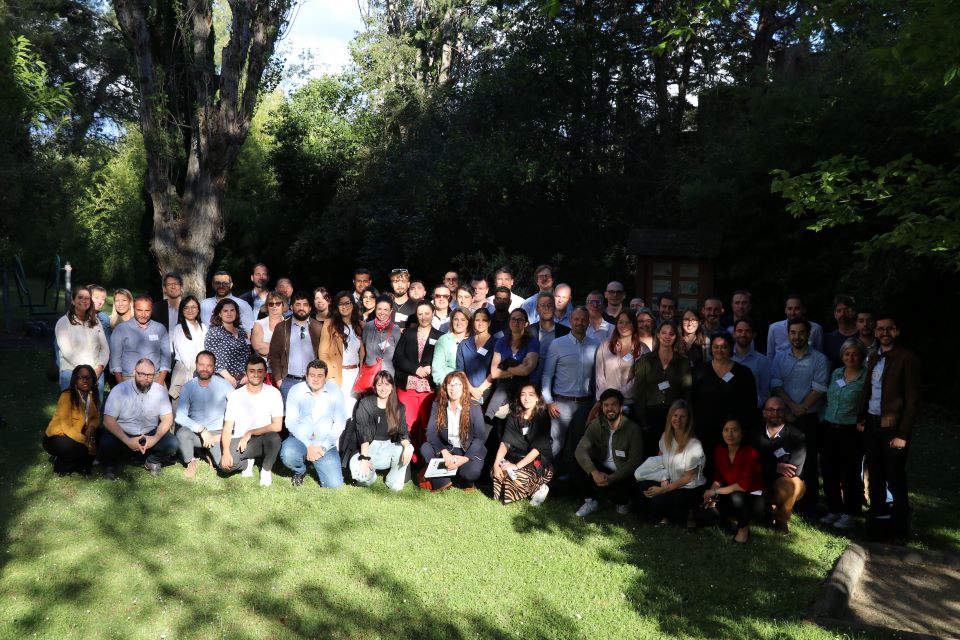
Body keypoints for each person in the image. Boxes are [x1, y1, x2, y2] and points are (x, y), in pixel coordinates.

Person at [857, 313, 921, 541]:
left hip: (893, 428)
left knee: (894, 478)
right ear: (875, 332)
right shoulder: (873, 357)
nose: (884, 333)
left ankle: (899, 530)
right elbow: (869, 390)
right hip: (872, 424)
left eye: (889, 329)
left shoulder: (907, 359)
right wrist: (862, 418)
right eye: (880, 329)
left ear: (897, 331)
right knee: (875, 476)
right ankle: (877, 525)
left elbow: (913, 401)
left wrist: (902, 434)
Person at [771, 317, 829, 513]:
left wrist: (800, 408)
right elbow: (776, 384)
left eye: (801, 332)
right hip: (784, 417)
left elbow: (819, 388)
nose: (797, 336)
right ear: (788, 335)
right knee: (783, 458)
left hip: (808, 418)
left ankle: (808, 505)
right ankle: (782, 499)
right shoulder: (779, 358)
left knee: (809, 461)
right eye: (793, 333)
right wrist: (790, 408)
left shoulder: (820, 359)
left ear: (808, 334)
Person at [98, 358, 178, 479]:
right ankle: (110, 465)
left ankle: (152, 460)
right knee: (105, 442)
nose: (146, 378)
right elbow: (108, 420)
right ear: (134, 372)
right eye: (142, 374)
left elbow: (167, 419)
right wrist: (128, 441)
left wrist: (154, 439)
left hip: (149, 434)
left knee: (172, 443)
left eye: (150, 375)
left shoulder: (160, 391)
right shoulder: (119, 390)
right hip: (123, 433)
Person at [541, 307, 600, 465]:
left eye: (583, 320)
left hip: (585, 405)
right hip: (560, 404)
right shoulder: (557, 344)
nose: (579, 322)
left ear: (588, 322)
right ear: (570, 321)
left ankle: (573, 483)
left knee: (580, 445)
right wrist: (549, 402)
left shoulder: (596, 345)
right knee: (556, 445)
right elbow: (547, 375)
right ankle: (548, 482)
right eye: (576, 319)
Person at [692, 332, 757, 475]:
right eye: (716, 347)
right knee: (707, 468)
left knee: (731, 469)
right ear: (711, 349)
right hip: (705, 431)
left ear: (730, 348)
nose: (719, 350)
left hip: (733, 433)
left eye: (724, 347)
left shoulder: (743, 373)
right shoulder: (699, 371)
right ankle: (708, 496)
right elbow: (692, 400)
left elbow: (751, 403)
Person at [573, 389, 644, 517]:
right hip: (601, 471)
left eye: (613, 404)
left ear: (621, 407)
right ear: (602, 407)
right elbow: (580, 450)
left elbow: (634, 462)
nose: (609, 408)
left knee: (621, 495)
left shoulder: (633, 429)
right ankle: (590, 500)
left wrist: (612, 478)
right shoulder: (597, 423)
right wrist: (594, 473)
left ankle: (622, 501)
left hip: (621, 475)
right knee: (578, 460)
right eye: (606, 405)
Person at [820, 339, 866, 530]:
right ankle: (834, 509)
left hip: (851, 430)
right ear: (842, 356)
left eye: (855, 354)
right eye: (847, 354)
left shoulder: (866, 378)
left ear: (861, 356)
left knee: (850, 473)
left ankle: (850, 512)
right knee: (829, 470)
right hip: (830, 427)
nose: (850, 357)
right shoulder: (836, 373)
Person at [639, 399, 707, 526]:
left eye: (682, 416)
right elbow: (661, 459)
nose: (678, 420)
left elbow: (688, 477)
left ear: (688, 420)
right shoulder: (666, 437)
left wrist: (663, 489)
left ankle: (683, 515)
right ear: (670, 417)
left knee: (658, 499)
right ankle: (653, 518)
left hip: (689, 488)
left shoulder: (694, 444)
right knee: (644, 486)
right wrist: (663, 479)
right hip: (671, 481)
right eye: (675, 415)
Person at [281, 359, 346, 488]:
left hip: (324, 444)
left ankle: (317, 461)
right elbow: (290, 422)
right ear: (306, 376)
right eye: (312, 375)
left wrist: (322, 447)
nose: (315, 379)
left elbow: (339, 423)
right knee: (288, 454)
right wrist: (308, 445)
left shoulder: (335, 392)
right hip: (300, 440)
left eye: (320, 376)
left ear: (326, 377)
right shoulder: (296, 390)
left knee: (334, 485)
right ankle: (300, 471)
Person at [631, 321, 692, 457]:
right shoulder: (645, 360)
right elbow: (638, 393)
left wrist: (685, 418)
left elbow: (687, 393)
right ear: (658, 335)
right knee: (652, 455)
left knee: (674, 455)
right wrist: (642, 420)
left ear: (676, 337)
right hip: (651, 416)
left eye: (671, 334)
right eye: (663, 333)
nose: (667, 336)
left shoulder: (683, 362)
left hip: (675, 418)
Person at [220, 355, 283, 486]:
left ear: (265, 373)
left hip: (263, 439)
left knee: (274, 438)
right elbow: (227, 428)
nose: (256, 375)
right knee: (225, 467)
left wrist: (251, 432)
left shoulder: (274, 393)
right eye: (252, 371)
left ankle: (266, 469)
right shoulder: (235, 395)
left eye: (260, 371)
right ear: (246, 373)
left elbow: (277, 426)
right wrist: (226, 452)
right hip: (240, 440)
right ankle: (248, 462)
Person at [421, 372, 487, 491]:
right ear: (445, 387)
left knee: (470, 473)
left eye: (457, 385)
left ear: (463, 387)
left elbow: (480, 438)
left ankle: (466, 480)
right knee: (426, 448)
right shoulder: (438, 405)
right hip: (448, 447)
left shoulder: (474, 406)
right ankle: (442, 481)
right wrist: (444, 452)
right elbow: (431, 432)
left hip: (467, 449)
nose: (453, 388)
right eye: (450, 385)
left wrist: (465, 458)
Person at [349, 371, 414, 491]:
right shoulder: (365, 404)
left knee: (408, 447)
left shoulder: (399, 407)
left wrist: (407, 447)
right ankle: (371, 475)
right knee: (360, 477)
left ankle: (393, 480)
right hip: (368, 448)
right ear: (374, 387)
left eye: (387, 385)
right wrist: (364, 458)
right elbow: (364, 433)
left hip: (388, 449)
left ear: (392, 387)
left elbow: (403, 432)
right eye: (379, 385)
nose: (383, 388)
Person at [491, 384, 553, 505]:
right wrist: (496, 464)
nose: (526, 398)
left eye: (531, 395)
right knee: (498, 472)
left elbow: (536, 450)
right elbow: (505, 443)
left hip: (537, 462)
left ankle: (538, 488)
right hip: (515, 457)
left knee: (515, 476)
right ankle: (522, 489)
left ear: (537, 398)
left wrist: (517, 466)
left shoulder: (543, 418)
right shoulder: (514, 416)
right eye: (523, 395)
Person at [174, 351, 234, 477]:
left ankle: (207, 453)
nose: (205, 369)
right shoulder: (188, 387)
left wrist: (224, 434)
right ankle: (191, 461)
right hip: (197, 434)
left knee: (225, 468)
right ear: (196, 365)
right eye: (201, 365)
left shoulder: (224, 384)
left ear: (214, 366)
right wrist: (201, 430)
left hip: (218, 434)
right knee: (182, 433)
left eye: (209, 365)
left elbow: (237, 408)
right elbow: (180, 416)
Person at [705, 419, 765, 544]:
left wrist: (715, 492)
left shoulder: (750, 453)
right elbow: (718, 478)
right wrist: (711, 494)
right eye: (726, 430)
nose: (729, 434)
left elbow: (743, 486)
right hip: (731, 492)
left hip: (753, 497)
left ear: (742, 433)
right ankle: (728, 523)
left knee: (736, 497)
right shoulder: (720, 451)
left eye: (734, 430)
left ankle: (743, 530)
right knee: (707, 510)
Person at [393, 301, 442, 451]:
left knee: (428, 425)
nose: (424, 317)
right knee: (408, 425)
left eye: (427, 313)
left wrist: (431, 368)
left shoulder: (440, 337)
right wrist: (416, 369)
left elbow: (444, 361)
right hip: (408, 387)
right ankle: (410, 460)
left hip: (429, 389)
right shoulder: (408, 333)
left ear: (433, 314)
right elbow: (398, 358)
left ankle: (426, 461)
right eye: (420, 314)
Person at [754, 397, 807, 534]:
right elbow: (749, 463)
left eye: (779, 410)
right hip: (760, 480)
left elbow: (793, 470)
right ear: (764, 413)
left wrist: (764, 465)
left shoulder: (797, 436)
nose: (775, 413)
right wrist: (775, 467)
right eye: (771, 410)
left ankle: (782, 522)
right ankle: (768, 510)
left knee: (786, 484)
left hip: (789, 483)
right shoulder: (754, 433)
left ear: (785, 412)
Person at [44, 364, 99, 475]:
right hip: (57, 436)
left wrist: (92, 427)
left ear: (93, 380)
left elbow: (96, 417)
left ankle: (81, 466)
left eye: (88, 377)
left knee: (100, 436)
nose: (84, 380)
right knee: (77, 447)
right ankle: (61, 468)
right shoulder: (66, 396)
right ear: (75, 380)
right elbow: (67, 428)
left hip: (78, 432)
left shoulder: (92, 396)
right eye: (80, 377)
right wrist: (86, 442)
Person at [267, 292, 322, 401]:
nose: (302, 308)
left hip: (313, 381)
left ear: (310, 308)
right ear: (291, 307)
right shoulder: (282, 327)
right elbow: (273, 356)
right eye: (298, 304)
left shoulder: (318, 327)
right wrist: (279, 380)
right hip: (289, 381)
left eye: (305, 304)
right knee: (290, 417)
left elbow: (325, 354)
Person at [487, 308, 539, 419]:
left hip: (525, 389)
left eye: (520, 320)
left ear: (526, 324)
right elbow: (494, 373)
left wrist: (506, 366)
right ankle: (487, 422)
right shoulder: (501, 342)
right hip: (504, 389)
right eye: (513, 319)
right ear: (509, 322)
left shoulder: (532, 342)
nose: (516, 322)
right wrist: (518, 366)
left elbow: (527, 370)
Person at [318, 291, 365, 414]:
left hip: (355, 374)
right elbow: (323, 353)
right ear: (336, 307)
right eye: (340, 304)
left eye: (347, 303)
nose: (344, 306)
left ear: (353, 305)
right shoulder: (330, 324)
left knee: (351, 412)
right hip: (337, 373)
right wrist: (330, 376)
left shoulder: (360, 325)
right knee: (336, 412)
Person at [55, 286, 108, 391]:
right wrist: (86, 372)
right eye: (80, 297)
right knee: (73, 405)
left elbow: (105, 348)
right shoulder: (63, 323)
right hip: (71, 369)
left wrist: (100, 367)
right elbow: (68, 352)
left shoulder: (95, 321)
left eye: (87, 298)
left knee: (95, 405)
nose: (84, 301)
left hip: (96, 369)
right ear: (73, 301)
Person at [109, 295, 171, 385]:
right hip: (129, 378)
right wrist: (120, 384)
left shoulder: (160, 328)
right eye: (139, 310)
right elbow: (115, 359)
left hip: (155, 378)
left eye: (147, 311)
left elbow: (166, 357)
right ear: (133, 309)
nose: (143, 314)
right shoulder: (121, 329)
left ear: (152, 310)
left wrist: (160, 381)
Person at [595, 310, 645, 409]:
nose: (624, 326)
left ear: (634, 324)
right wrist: (607, 396)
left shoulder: (642, 349)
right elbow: (599, 375)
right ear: (616, 324)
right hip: (606, 403)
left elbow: (639, 378)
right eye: (621, 322)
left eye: (628, 322)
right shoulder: (605, 345)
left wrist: (618, 395)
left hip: (629, 403)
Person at [203, 298, 251, 389]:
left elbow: (247, 356)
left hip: (244, 380)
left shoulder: (241, 332)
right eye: (225, 311)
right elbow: (213, 358)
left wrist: (247, 376)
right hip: (223, 380)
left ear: (236, 313)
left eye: (232, 310)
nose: (229, 313)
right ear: (220, 314)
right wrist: (230, 378)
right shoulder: (214, 332)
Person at [170, 295, 207, 402]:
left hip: (201, 368)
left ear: (198, 309)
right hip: (184, 369)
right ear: (182, 310)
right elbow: (184, 354)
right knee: (180, 404)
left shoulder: (203, 327)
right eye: (186, 308)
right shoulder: (179, 328)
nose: (190, 310)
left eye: (193, 307)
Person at [528, 293, 570, 386]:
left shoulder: (566, 332)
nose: (546, 308)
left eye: (550, 305)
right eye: (542, 305)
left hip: (558, 383)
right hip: (532, 382)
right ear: (537, 309)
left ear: (554, 309)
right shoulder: (528, 332)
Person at [456, 307, 496, 404]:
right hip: (466, 391)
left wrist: (480, 390)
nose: (480, 323)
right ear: (473, 322)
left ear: (489, 323)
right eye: (477, 320)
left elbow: (495, 371)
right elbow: (460, 370)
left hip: (488, 392)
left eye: (484, 320)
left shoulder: (496, 344)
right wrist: (471, 390)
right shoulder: (464, 344)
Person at [731, 318, 771, 411]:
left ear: (754, 335)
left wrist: (755, 406)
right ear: (734, 334)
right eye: (739, 331)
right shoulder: (726, 358)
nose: (743, 334)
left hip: (753, 411)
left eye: (747, 331)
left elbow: (764, 392)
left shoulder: (763, 361)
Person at [766, 294, 824, 359]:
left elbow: (819, 355)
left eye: (797, 309)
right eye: (789, 309)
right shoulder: (774, 328)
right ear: (785, 310)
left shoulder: (816, 329)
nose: (793, 312)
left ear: (804, 310)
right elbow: (770, 356)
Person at [250, 291, 286, 385]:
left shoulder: (289, 324)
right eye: (271, 304)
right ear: (267, 306)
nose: (274, 306)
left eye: (277, 303)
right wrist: (283, 350)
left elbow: (294, 349)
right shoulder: (259, 324)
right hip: (263, 373)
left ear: (283, 305)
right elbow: (259, 347)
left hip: (285, 373)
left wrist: (269, 348)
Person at [361, 296, 401, 377]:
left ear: (391, 311)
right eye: (379, 309)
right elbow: (363, 348)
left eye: (385, 309)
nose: (382, 312)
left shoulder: (395, 329)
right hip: (369, 373)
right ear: (375, 309)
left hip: (387, 375)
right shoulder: (368, 326)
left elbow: (398, 354)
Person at [432, 308, 470, 386]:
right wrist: (447, 386)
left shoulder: (474, 340)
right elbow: (437, 368)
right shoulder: (444, 340)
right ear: (452, 321)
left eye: (463, 320)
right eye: (456, 319)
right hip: (449, 386)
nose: (459, 323)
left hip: (472, 387)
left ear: (468, 322)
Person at [151, 273, 183, 355]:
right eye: (169, 284)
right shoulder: (156, 308)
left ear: (181, 287)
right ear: (164, 289)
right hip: (160, 353)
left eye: (176, 284)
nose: (173, 287)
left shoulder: (188, 309)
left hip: (182, 354)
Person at [824, 294, 858, 370]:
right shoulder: (828, 339)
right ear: (835, 314)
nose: (842, 314)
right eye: (839, 311)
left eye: (846, 310)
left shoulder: (863, 335)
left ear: (853, 312)